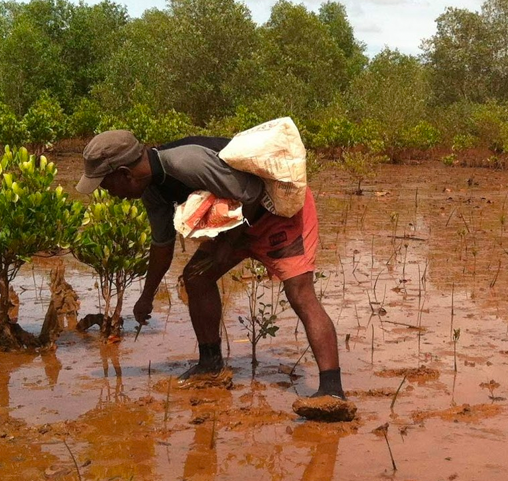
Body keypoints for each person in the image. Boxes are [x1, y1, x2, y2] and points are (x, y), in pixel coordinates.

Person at [76, 130, 346, 399]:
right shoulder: (152, 191)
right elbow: (162, 245)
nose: (110, 194)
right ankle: (210, 365)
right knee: (196, 277)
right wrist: (146, 297)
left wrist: (228, 246)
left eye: (107, 185)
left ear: (125, 173)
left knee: (300, 293)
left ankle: (332, 391)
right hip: (234, 225)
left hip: (275, 213)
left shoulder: (186, 162)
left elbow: (252, 193)